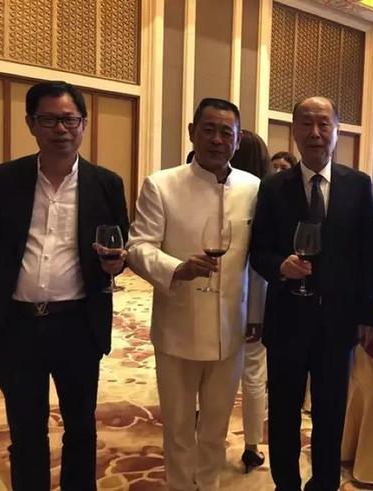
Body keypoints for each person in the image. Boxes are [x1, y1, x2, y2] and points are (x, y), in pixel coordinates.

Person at [0, 80, 129, 491]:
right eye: (49, 120)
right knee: (26, 431)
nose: (60, 129)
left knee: (81, 428)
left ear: (84, 124)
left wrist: (116, 263)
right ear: (31, 124)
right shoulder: (6, 178)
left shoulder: (106, 183)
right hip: (16, 326)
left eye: (69, 119)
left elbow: (120, 248)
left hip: (77, 324)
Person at [126, 98, 265, 491]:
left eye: (226, 133)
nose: (217, 140)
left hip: (231, 328)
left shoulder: (254, 188)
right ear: (192, 132)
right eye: (209, 130)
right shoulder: (162, 184)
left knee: (217, 427)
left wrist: (256, 315)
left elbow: (257, 261)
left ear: (238, 140)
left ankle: (208, 484)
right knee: (178, 426)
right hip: (178, 325)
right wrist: (176, 268)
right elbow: (138, 247)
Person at [250, 96, 373, 491]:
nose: (315, 133)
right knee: (284, 413)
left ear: (338, 130)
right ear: (294, 131)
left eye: (324, 124)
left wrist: (367, 315)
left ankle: (324, 483)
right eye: (306, 123)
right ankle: (286, 483)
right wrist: (280, 267)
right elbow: (258, 251)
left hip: (337, 325)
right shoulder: (273, 187)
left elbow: (368, 254)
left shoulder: (358, 184)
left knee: (330, 413)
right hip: (287, 320)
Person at [229, 130, 271, 472]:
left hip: (226, 293)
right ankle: (252, 445)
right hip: (256, 295)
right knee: (254, 371)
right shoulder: (268, 193)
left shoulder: (241, 194)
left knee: (214, 367)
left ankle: (203, 422)